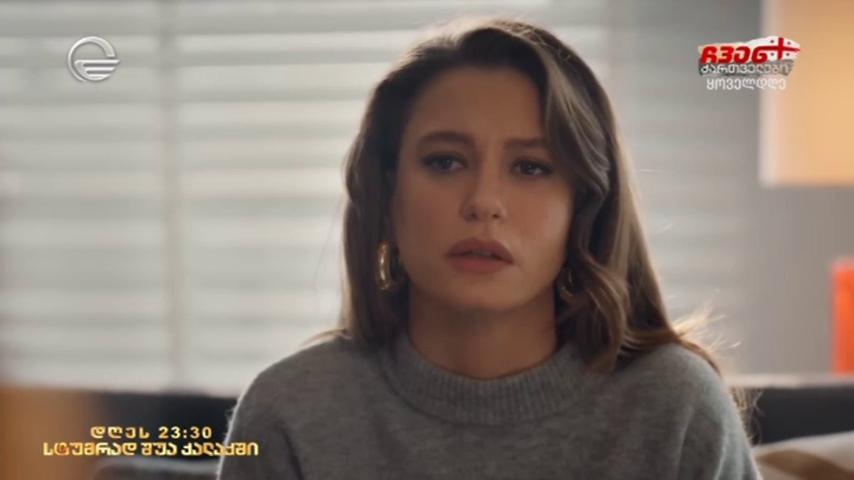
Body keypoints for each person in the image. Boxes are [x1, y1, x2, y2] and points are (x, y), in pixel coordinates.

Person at [217, 15, 762, 480]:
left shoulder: (674, 408)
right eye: (445, 162)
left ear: (584, 207)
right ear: (387, 193)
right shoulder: (290, 412)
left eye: (531, 167)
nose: (484, 202)